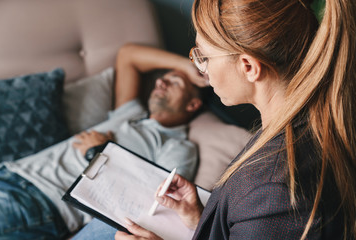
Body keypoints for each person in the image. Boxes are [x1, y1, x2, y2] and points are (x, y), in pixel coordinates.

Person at [112, 0, 356, 239]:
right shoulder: (296, 124)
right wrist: (203, 219)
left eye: (204, 57)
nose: (202, 69)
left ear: (248, 66)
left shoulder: (275, 191)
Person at [0, 43, 206, 239]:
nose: (161, 81)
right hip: (9, 173)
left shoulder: (178, 146)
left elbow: (154, 203)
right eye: (163, 78)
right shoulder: (130, 113)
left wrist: (96, 153)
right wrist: (185, 67)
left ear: (192, 104)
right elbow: (128, 55)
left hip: (39, 200)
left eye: (175, 82)